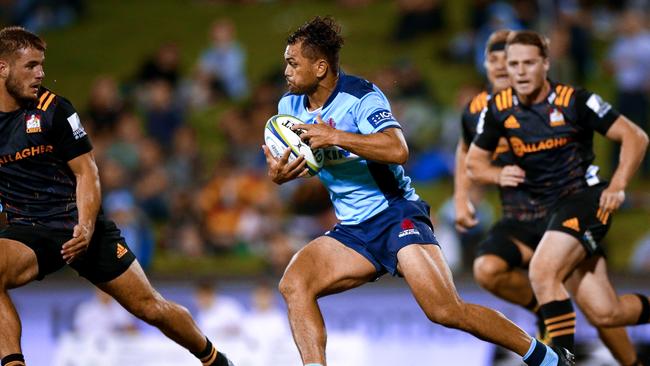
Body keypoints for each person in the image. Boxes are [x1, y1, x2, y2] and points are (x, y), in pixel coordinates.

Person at [263, 16, 573, 366]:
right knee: (294, 284)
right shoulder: (287, 109)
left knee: (445, 310)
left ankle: (547, 358)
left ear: (320, 67)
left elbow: (398, 149)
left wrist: (334, 135)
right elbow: (310, 164)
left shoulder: (361, 97)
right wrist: (282, 174)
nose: (286, 71)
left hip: (396, 214)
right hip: (353, 231)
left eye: (293, 63)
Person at [0, 26, 233, 366]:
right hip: (28, 231)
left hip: (76, 223)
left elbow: (87, 172)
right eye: (31, 66)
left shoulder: (54, 110)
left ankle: (213, 358)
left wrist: (85, 225)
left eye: (42, 65)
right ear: (2, 67)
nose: (41, 73)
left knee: (150, 307)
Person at [457, 29, 642, 365]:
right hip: (535, 214)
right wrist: (495, 175)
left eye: (529, 63)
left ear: (546, 64)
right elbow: (472, 161)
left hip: (584, 200)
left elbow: (635, 136)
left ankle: (561, 359)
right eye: (514, 64)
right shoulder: (497, 109)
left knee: (543, 271)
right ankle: (553, 313)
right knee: (606, 313)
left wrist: (618, 184)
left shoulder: (575, 100)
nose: (520, 71)